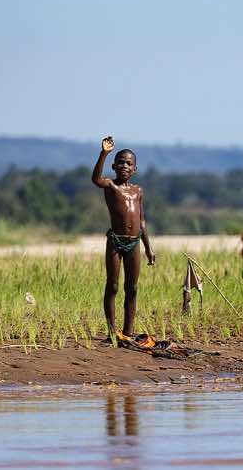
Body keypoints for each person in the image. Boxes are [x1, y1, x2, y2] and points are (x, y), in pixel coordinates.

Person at [92, 136, 156, 339]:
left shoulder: (138, 191)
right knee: (112, 285)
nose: (125, 166)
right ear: (114, 166)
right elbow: (96, 179)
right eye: (121, 162)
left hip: (134, 242)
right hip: (115, 242)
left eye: (129, 163)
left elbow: (142, 221)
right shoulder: (110, 186)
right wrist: (104, 153)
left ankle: (128, 331)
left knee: (132, 287)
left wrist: (148, 248)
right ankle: (112, 331)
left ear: (135, 169)